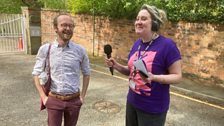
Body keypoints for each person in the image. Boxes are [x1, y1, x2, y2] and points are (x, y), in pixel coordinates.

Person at [105, 4, 182, 126]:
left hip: (152, 109)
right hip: (132, 102)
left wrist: (155, 77)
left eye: (144, 19)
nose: (138, 22)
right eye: (137, 19)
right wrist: (116, 65)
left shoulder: (167, 46)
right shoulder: (138, 44)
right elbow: (132, 71)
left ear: (154, 23)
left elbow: (177, 76)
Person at [32, 13, 90, 126]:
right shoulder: (45, 49)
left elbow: (86, 73)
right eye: (64, 25)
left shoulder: (80, 50)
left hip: (74, 100)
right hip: (54, 99)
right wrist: (44, 98)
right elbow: (36, 73)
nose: (68, 29)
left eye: (71, 26)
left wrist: (82, 97)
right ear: (55, 28)